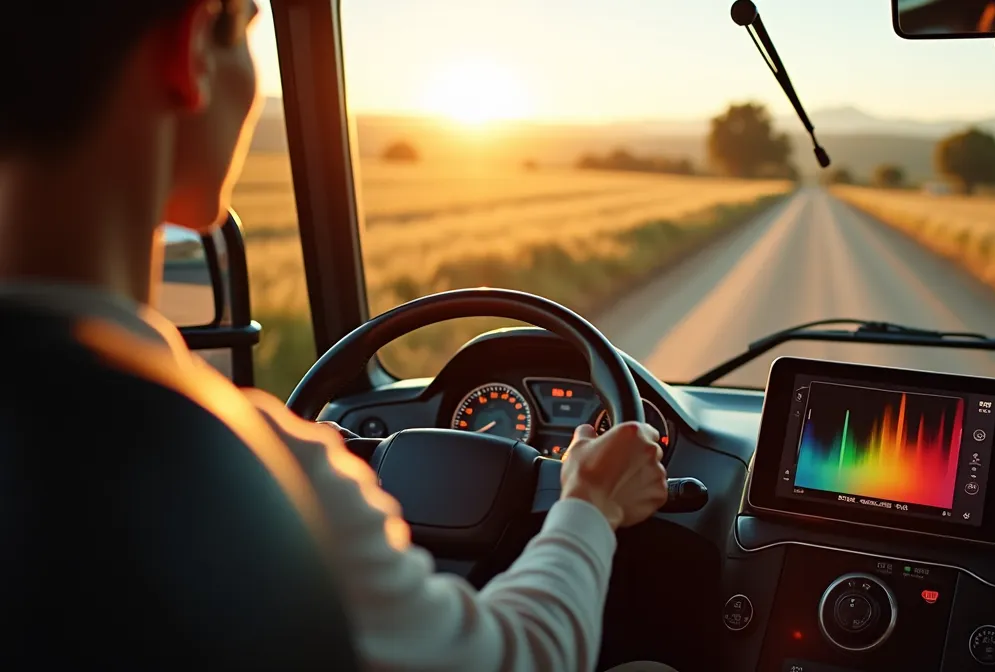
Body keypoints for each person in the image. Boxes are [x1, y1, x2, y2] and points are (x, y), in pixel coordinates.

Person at [0, 2, 673, 670]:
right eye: (249, 31)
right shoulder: (269, 476)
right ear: (191, 49)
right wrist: (589, 502)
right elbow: (522, 659)